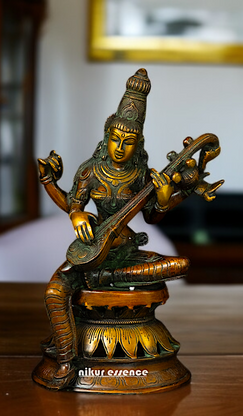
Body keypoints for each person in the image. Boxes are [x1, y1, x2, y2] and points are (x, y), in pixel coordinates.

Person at [36, 68, 221, 389]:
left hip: (126, 251)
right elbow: (73, 203)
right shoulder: (90, 170)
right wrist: (76, 214)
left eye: (129, 141)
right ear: (106, 138)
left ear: (139, 144)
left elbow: (152, 217)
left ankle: (105, 277)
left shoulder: (141, 176)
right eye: (115, 139)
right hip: (93, 250)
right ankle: (66, 362)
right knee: (54, 292)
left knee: (180, 264)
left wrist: (163, 196)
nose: (120, 147)